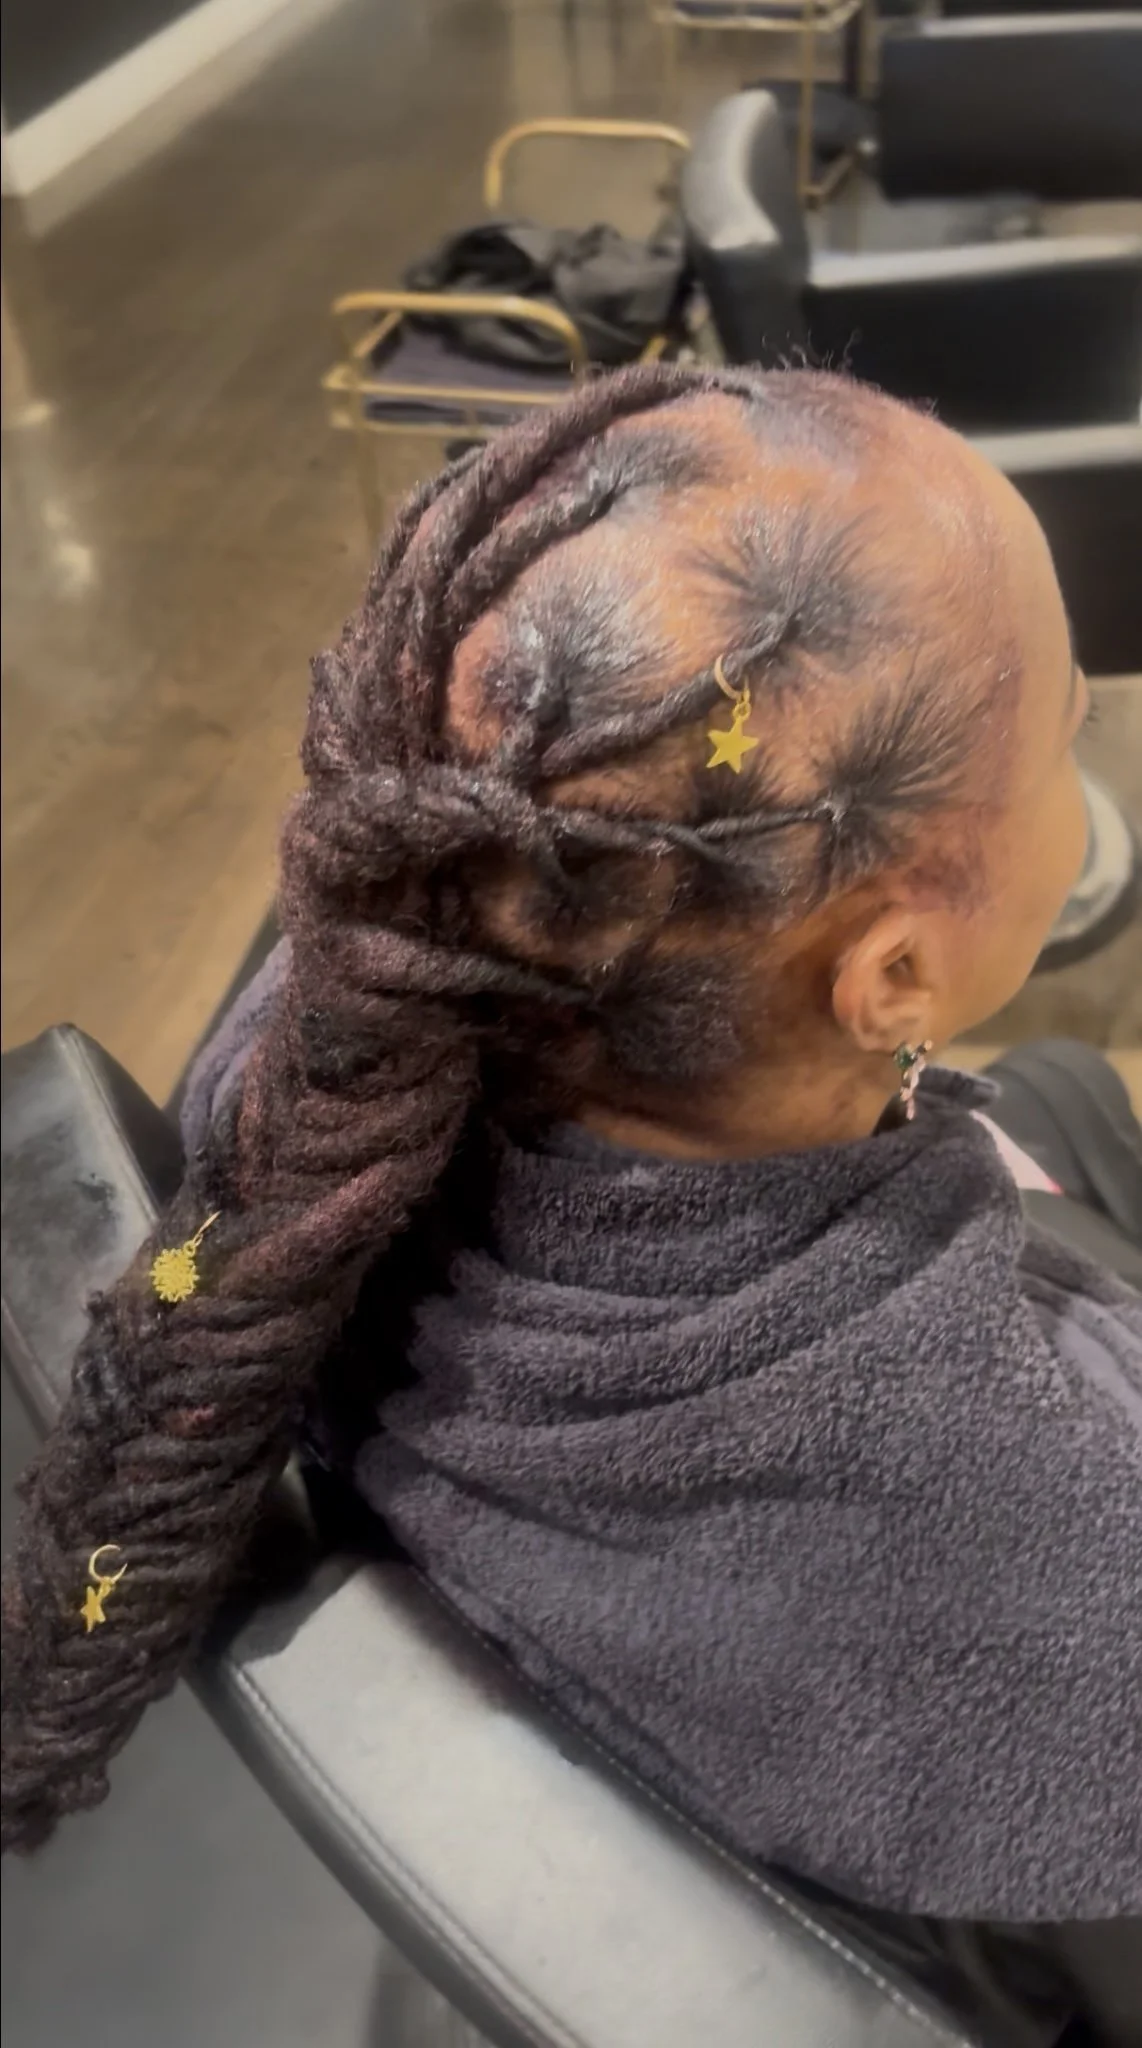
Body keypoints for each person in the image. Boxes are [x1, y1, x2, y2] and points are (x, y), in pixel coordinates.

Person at [2, 365, 1140, 2044]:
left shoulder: (340, 1022)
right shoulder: (1069, 1569)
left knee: (1059, 1096)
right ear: (894, 972)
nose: (1090, 746)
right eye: (1067, 734)